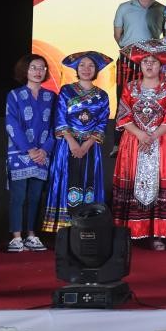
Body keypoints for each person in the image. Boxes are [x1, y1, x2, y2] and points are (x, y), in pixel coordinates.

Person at [110, 41, 166, 248]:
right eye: (145, 62)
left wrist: (152, 135)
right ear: (139, 65)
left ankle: (157, 234)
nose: (149, 65)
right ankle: (127, 232)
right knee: (131, 183)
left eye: (154, 62)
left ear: (161, 65)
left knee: (158, 184)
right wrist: (141, 134)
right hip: (133, 141)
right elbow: (123, 116)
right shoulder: (130, 87)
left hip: (161, 142)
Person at [41, 51, 112, 236]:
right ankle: (64, 229)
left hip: (90, 147)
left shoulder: (102, 95)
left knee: (88, 183)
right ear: (76, 69)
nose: (86, 69)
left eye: (91, 65)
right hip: (67, 145)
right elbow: (60, 118)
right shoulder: (66, 91)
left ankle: (87, 227)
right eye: (82, 65)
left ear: (96, 69)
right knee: (67, 180)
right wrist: (72, 143)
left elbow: (102, 122)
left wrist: (87, 144)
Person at [5, 55, 56, 252]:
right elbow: (11, 124)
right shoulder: (14, 95)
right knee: (18, 197)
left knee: (35, 197)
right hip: (20, 153)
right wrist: (29, 149)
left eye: (42, 68)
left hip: (43, 154)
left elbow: (56, 126)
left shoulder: (51, 97)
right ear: (25, 70)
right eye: (33, 67)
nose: (38, 71)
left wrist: (45, 149)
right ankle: (16, 238)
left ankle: (32, 236)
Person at [113, 0, 164, 105]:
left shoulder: (162, 9)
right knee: (124, 98)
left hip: (152, 61)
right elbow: (117, 35)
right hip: (127, 60)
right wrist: (130, 51)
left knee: (150, 100)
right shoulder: (124, 7)